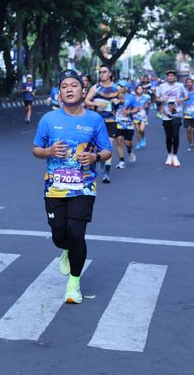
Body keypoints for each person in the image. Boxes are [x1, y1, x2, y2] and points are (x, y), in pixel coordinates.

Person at [33, 70, 112, 304]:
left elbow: (107, 150)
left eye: (74, 85)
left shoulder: (94, 120)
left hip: (84, 187)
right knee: (59, 235)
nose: (69, 89)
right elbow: (36, 149)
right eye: (64, 86)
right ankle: (65, 249)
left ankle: (73, 285)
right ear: (60, 93)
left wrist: (95, 157)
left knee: (77, 233)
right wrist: (48, 151)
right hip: (54, 188)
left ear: (83, 91)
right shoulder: (48, 120)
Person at [84, 65, 121, 183]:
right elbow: (86, 101)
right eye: (100, 72)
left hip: (111, 120)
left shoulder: (117, 88)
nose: (102, 74)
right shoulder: (96, 87)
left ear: (110, 74)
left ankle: (106, 173)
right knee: (96, 146)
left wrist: (118, 101)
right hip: (97, 121)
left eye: (104, 72)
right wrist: (97, 104)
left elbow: (122, 99)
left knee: (109, 145)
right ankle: (100, 159)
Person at [155, 70, 188, 167]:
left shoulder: (180, 86)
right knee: (168, 136)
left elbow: (187, 96)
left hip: (177, 113)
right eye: (169, 76)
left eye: (172, 75)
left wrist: (181, 100)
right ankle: (169, 154)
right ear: (166, 77)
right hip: (166, 114)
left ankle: (175, 156)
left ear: (175, 77)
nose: (170, 77)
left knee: (175, 134)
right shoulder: (162, 86)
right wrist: (162, 99)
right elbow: (157, 98)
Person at [113, 81, 139, 169]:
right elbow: (110, 108)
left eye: (121, 86)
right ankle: (121, 161)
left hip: (128, 123)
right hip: (118, 122)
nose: (119, 88)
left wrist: (129, 112)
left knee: (128, 143)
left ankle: (130, 151)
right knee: (119, 140)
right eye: (118, 86)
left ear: (125, 88)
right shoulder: (113, 97)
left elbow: (137, 108)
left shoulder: (131, 98)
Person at [132, 84, 151, 149]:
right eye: (138, 89)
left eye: (141, 89)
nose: (140, 90)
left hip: (143, 115)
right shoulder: (133, 98)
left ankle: (143, 138)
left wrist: (147, 105)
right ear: (136, 90)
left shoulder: (145, 98)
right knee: (138, 130)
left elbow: (147, 107)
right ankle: (138, 143)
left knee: (142, 129)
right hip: (135, 115)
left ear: (143, 90)